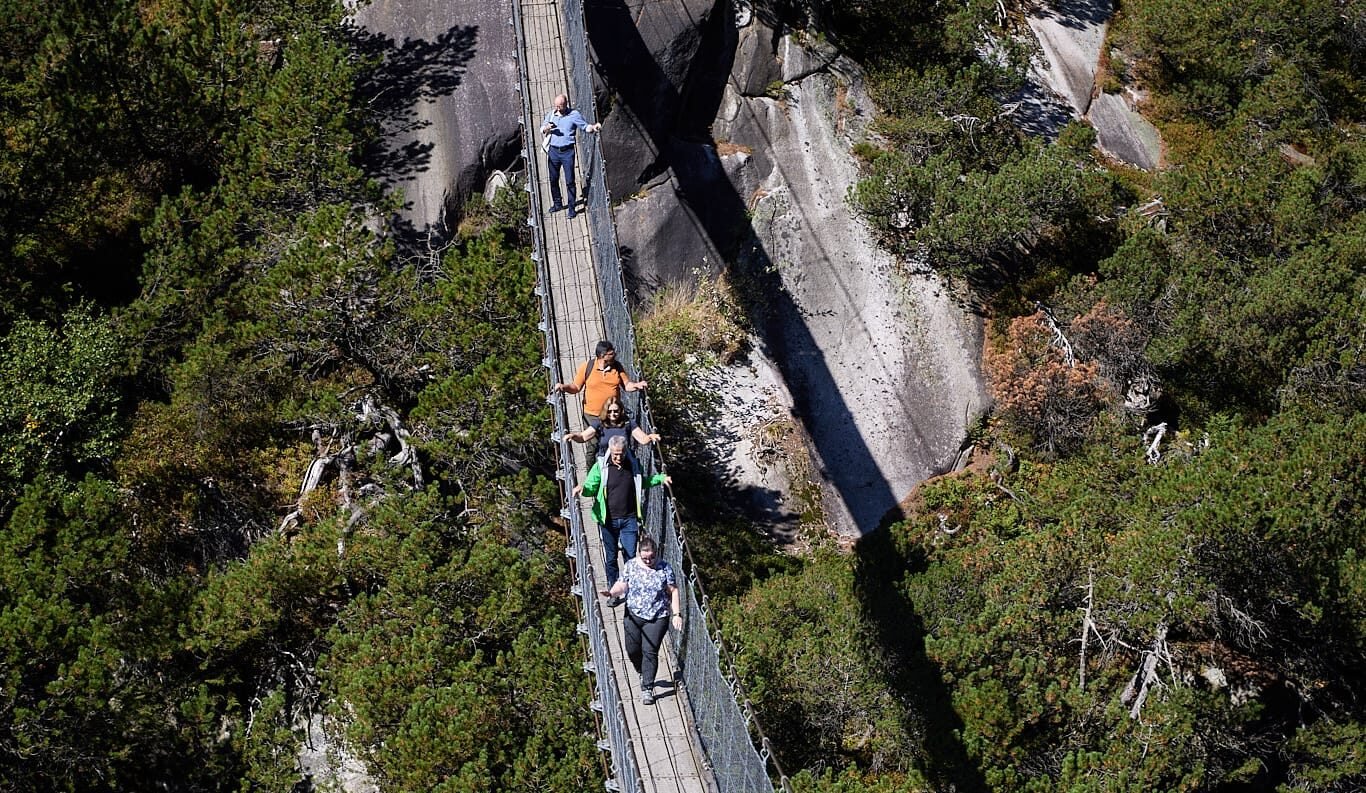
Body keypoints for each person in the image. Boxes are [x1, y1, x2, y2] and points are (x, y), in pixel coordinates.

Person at [574, 435, 669, 607]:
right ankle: (613, 591)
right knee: (611, 558)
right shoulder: (601, 467)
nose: (618, 457)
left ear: (626, 451)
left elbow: (642, 483)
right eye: (615, 454)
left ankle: (630, 588)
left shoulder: (633, 465)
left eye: (621, 453)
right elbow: (591, 487)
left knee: (630, 556)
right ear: (610, 451)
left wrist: (660, 479)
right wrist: (583, 489)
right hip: (608, 520)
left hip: (629, 519)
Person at [602, 535, 682, 705]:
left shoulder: (665, 568)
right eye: (645, 557)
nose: (649, 561)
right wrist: (612, 593)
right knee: (632, 650)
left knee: (650, 651)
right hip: (633, 614)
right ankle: (641, 670)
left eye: (652, 557)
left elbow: (673, 591)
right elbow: (623, 584)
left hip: (657, 617)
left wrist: (676, 614)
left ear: (656, 554)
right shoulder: (631, 566)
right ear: (638, 554)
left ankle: (647, 688)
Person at [552, 340, 647, 421]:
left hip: (612, 415)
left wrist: (637, 385)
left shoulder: (617, 366)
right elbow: (576, 387)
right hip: (592, 416)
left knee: (614, 442)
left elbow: (626, 385)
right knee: (594, 443)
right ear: (602, 355)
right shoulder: (587, 367)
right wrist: (563, 387)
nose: (614, 355)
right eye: (611, 354)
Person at [540, 93, 601, 220]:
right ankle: (557, 204)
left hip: (567, 152)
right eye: (556, 106)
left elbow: (585, 127)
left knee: (570, 181)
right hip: (553, 151)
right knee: (553, 179)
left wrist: (594, 127)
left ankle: (572, 209)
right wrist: (547, 128)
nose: (557, 109)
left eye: (560, 106)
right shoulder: (552, 114)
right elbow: (542, 128)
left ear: (566, 105)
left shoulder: (574, 115)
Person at [564, 395, 660, 458]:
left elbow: (642, 439)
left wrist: (650, 437)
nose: (612, 414)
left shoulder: (627, 423)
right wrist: (573, 436)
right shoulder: (600, 423)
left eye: (615, 411)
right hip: (605, 461)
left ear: (621, 411)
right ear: (605, 411)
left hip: (623, 460)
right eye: (609, 411)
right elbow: (584, 437)